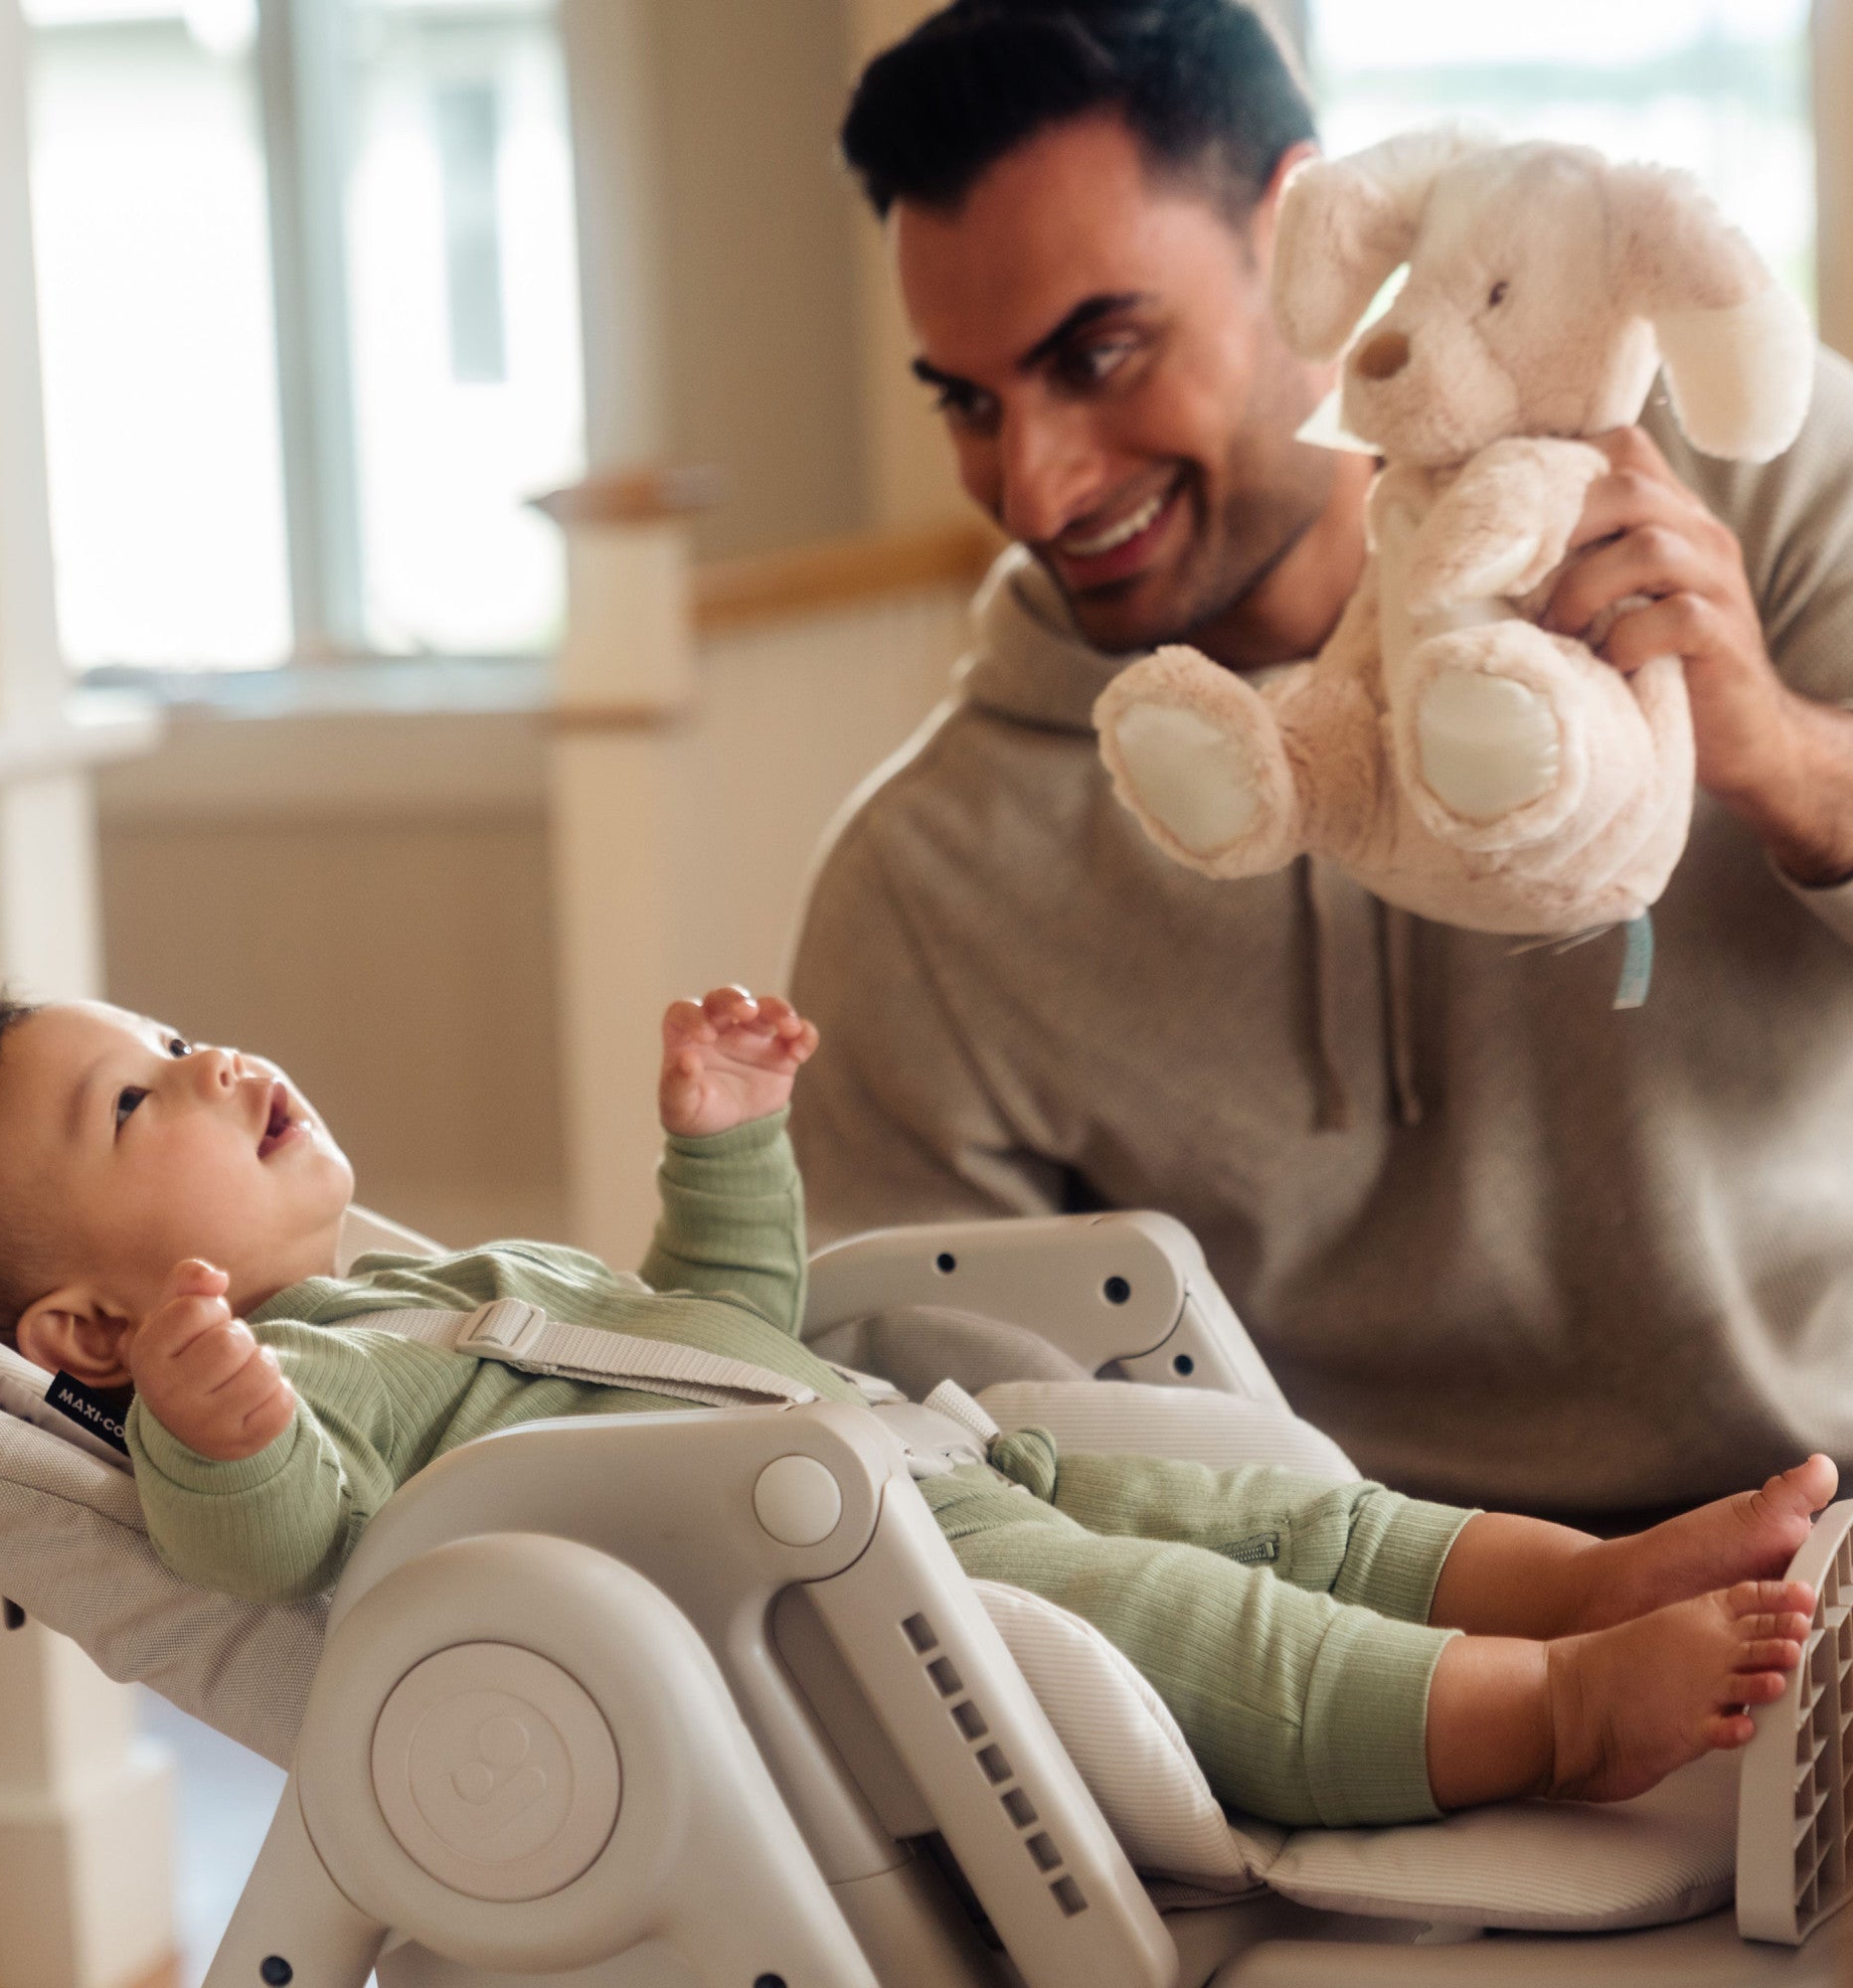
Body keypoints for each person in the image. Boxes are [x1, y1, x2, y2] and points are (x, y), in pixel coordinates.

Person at [0, 991, 1837, 1829]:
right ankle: (1562, 1718)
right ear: (88, 1325)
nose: (208, 1059)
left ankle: (1581, 1576)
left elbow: (717, 1324)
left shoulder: (454, 1283)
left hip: (934, 1468)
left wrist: (721, 1157)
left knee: (1295, 1525)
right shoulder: (293, 1395)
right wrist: (217, 1428)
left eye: (172, 1034)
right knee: (1225, 1637)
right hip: (857, 1590)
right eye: (135, 1101)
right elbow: (276, 1553)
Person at [789, 0, 1853, 1522]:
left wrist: (1784, 758)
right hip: (1365, 1677)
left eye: (1098, 355)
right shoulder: (928, 879)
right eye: (970, 400)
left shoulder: (1754, 471)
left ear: (1306, 247)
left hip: (1826, 1555)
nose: (1033, 482)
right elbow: (926, 1464)